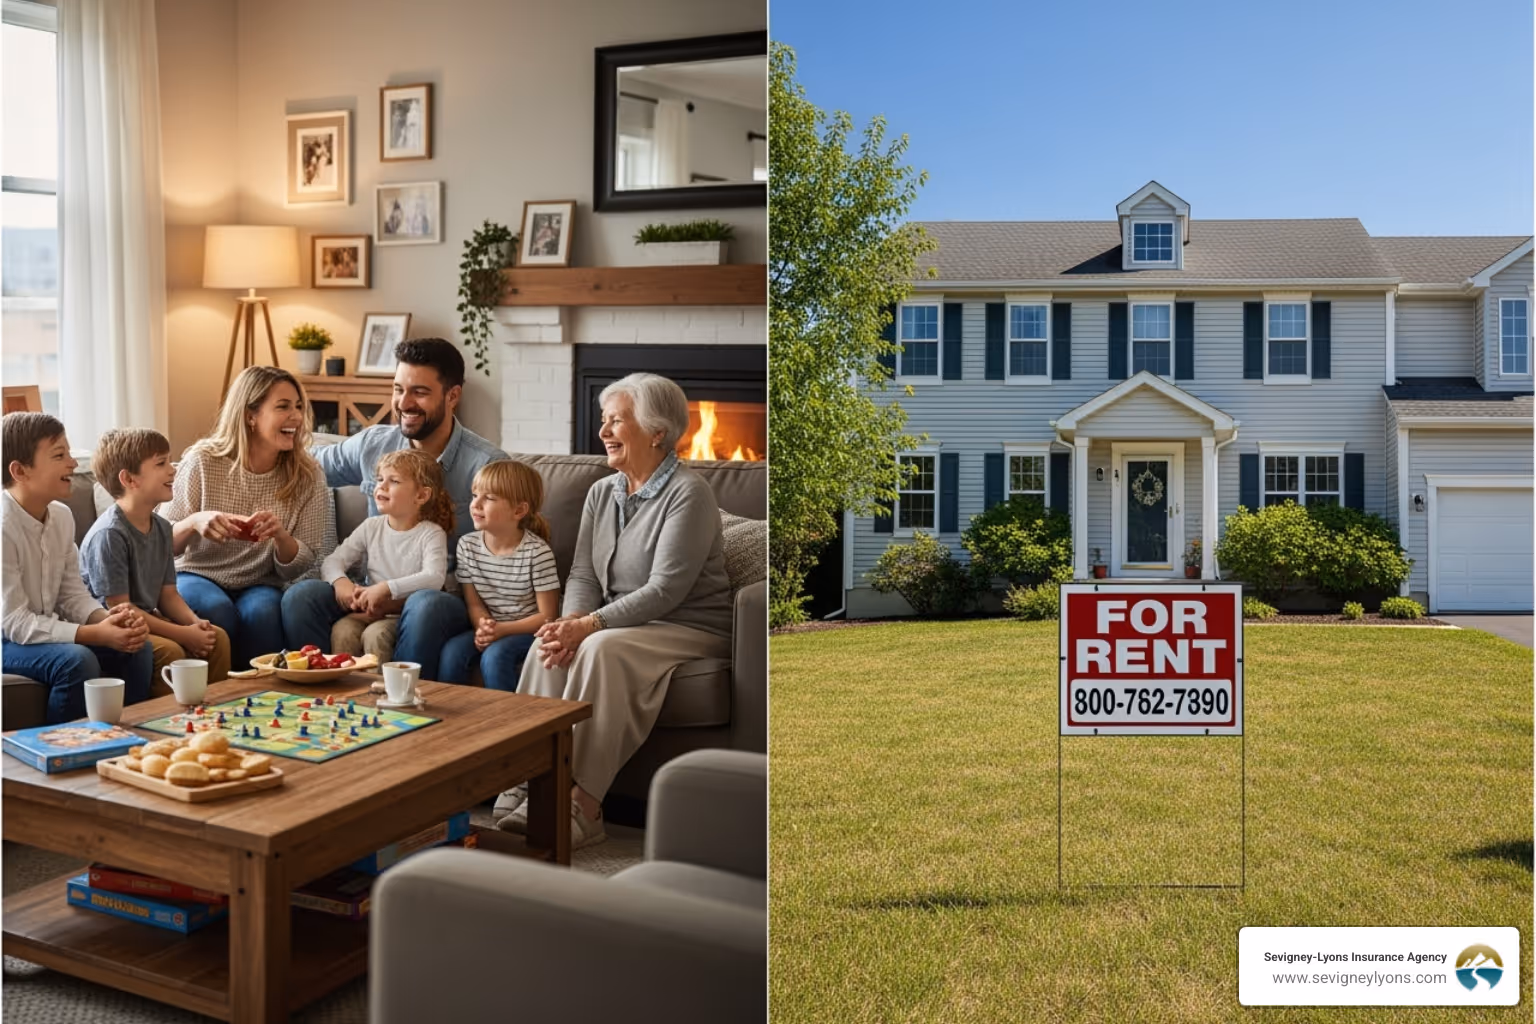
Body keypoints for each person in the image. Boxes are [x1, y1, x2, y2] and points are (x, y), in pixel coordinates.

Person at [501, 374, 733, 849]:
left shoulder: (689, 494)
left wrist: (591, 625)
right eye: (603, 421)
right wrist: (570, 624)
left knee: (600, 648)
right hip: (623, 621)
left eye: (616, 421)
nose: (604, 432)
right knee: (549, 644)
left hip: (688, 624)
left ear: (657, 432)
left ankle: (583, 805)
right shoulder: (602, 493)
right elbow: (584, 574)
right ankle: (524, 781)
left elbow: (667, 589)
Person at [281, 338, 509, 679]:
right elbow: (306, 464)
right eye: (398, 389)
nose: (404, 403)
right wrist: (245, 441)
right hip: (370, 592)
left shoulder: (487, 465)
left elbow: (506, 558)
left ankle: (407, 703)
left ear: (452, 396)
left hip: (442, 596)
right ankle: (321, 699)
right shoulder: (375, 444)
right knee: (301, 596)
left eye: (419, 392)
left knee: (424, 604)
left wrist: (397, 594)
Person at [166, 366, 331, 670]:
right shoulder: (202, 461)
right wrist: (195, 522)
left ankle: (263, 701)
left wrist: (281, 537)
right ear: (250, 415)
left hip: (259, 581)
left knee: (264, 614)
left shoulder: (307, 475)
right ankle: (218, 703)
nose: (296, 416)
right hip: (196, 574)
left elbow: (304, 560)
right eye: (283, 407)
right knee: (218, 610)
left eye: (299, 406)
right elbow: (161, 543)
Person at [1, 413, 153, 723]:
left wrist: (109, 620)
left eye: (69, 453)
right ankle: (62, 754)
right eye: (59, 455)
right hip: (8, 639)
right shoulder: (4, 528)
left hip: (41, 630)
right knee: (76, 661)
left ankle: (133, 744)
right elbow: (15, 623)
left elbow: (72, 595)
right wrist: (93, 634)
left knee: (138, 647)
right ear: (20, 470)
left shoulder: (61, 516)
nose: (72, 463)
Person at [79, 428, 232, 690]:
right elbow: (122, 611)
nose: (172, 470)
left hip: (147, 619)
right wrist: (183, 634)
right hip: (115, 628)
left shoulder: (161, 528)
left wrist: (195, 625)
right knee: (169, 652)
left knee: (216, 638)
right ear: (129, 479)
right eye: (161, 463)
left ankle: (214, 718)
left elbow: (168, 595)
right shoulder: (109, 535)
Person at [319, 448, 451, 662]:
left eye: (395, 481)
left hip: (401, 615)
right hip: (368, 611)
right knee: (342, 629)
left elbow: (434, 577)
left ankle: (381, 692)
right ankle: (346, 691)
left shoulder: (431, 533)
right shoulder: (371, 526)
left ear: (421, 495)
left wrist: (385, 588)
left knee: (376, 635)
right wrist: (341, 581)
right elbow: (332, 560)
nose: (382, 485)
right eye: (380, 479)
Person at [439, 460, 559, 689]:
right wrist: (483, 627)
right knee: (452, 651)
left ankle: (508, 723)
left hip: (529, 631)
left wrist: (501, 630)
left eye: (490, 498)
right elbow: (474, 604)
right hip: (494, 627)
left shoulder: (537, 552)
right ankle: (451, 720)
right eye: (475, 495)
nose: (476, 504)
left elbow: (547, 617)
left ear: (519, 511)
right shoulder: (467, 546)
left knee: (495, 655)